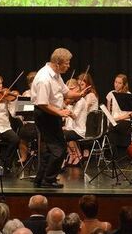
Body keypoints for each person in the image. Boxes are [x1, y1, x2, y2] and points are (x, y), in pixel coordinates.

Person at [30, 48, 87, 188]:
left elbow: (66, 92)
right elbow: (42, 104)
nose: (68, 66)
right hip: (45, 114)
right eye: (66, 63)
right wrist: (60, 112)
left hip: (52, 113)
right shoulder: (44, 78)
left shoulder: (56, 75)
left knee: (50, 149)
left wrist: (79, 94)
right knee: (59, 149)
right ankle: (48, 180)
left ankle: (41, 179)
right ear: (57, 63)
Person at [106, 74, 132, 158]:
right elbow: (108, 110)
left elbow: (131, 113)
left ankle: (119, 155)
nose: (116, 84)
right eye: (115, 82)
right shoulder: (111, 93)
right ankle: (114, 155)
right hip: (113, 120)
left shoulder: (128, 95)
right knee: (110, 127)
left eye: (119, 83)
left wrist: (117, 118)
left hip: (125, 120)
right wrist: (110, 119)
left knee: (115, 127)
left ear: (124, 84)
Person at [62, 79, 88, 167]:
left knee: (62, 135)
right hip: (72, 128)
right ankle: (73, 154)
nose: (69, 92)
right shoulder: (73, 100)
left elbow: (74, 116)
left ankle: (75, 155)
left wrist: (65, 106)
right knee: (58, 131)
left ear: (77, 88)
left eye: (71, 89)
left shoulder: (81, 101)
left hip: (79, 130)